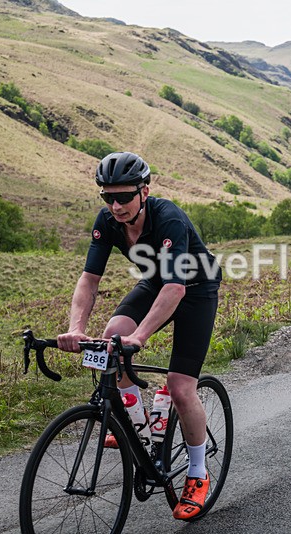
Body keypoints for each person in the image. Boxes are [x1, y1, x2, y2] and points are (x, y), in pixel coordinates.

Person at [57, 152, 222, 521]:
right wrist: (75, 329)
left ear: (144, 191)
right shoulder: (108, 221)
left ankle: (198, 473)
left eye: (123, 197)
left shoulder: (169, 219)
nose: (115, 205)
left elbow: (176, 289)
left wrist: (142, 336)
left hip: (194, 287)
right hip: (156, 280)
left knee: (180, 387)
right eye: (107, 197)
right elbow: (90, 279)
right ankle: (139, 422)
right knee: (113, 334)